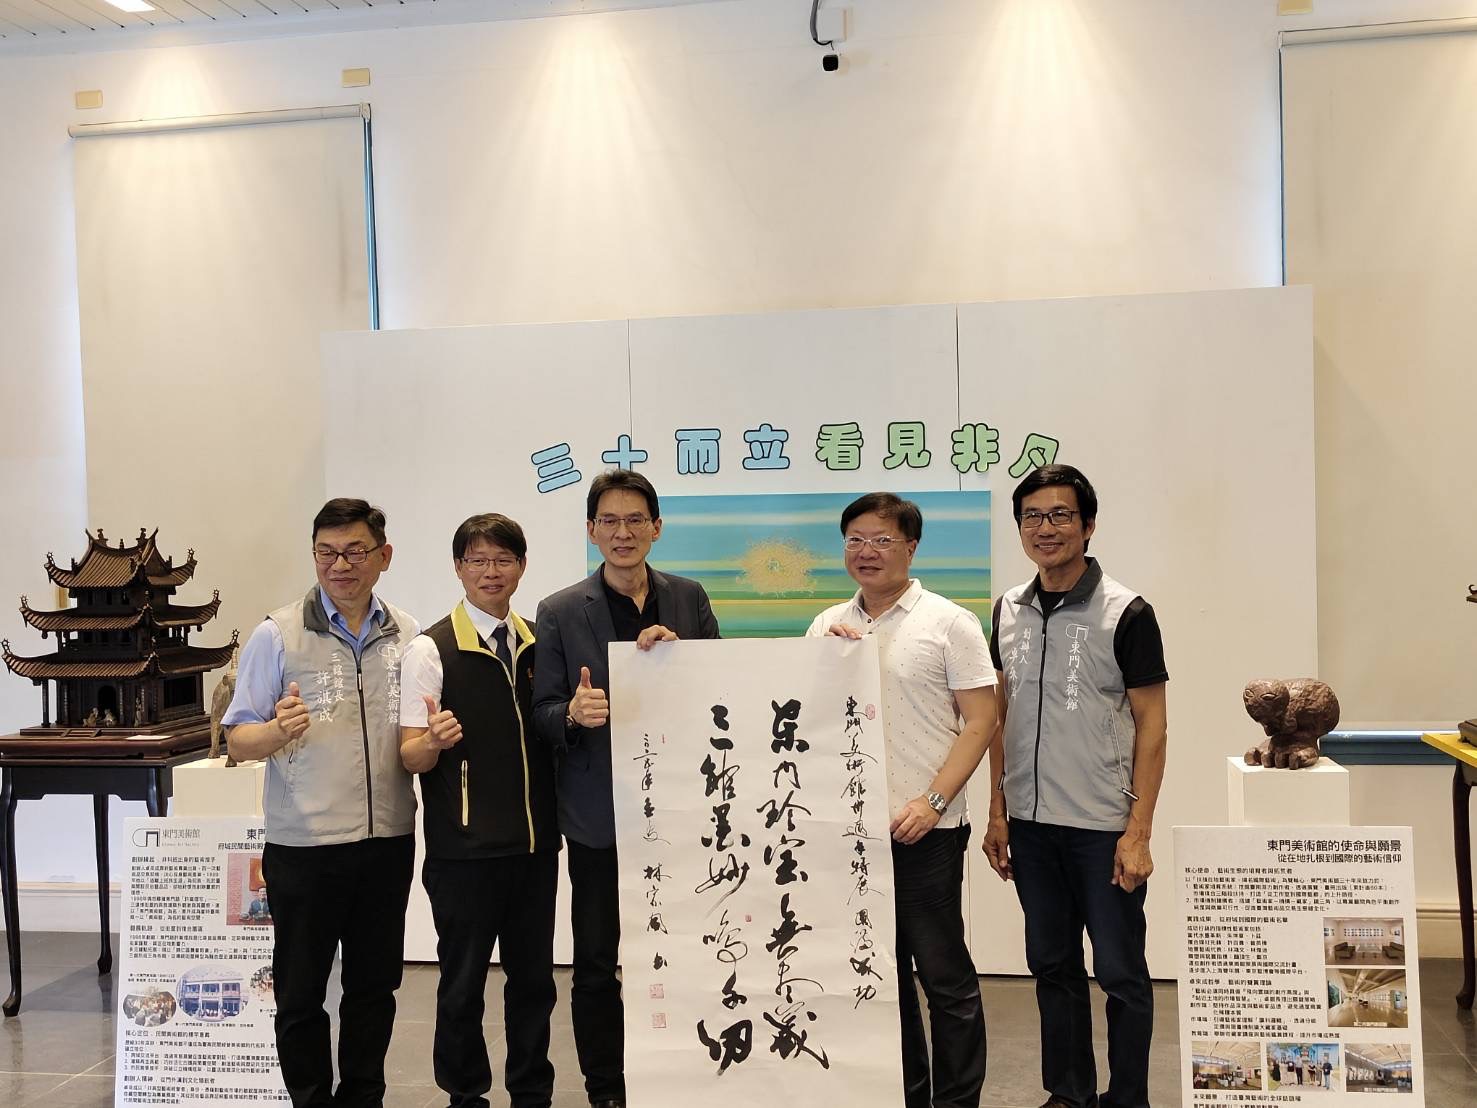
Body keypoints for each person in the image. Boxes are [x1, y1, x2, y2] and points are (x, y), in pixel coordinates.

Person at [981, 465, 1169, 1108]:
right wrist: (998, 811)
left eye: (1061, 515)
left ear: (1088, 526)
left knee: (1120, 972)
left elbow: (1152, 727)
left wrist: (1138, 832)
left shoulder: (1127, 611)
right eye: (1032, 516)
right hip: (1032, 827)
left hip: (1102, 827)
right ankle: (1068, 1093)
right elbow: (1000, 716)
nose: (1046, 528)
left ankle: (1129, 1097)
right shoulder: (1007, 609)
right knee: (1052, 966)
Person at [532, 469, 720, 1108]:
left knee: (685, 949)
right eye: (608, 521)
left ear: (657, 527)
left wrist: (681, 664)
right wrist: (572, 714)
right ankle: (606, 1088)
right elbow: (541, 711)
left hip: (682, 813)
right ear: (591, 531)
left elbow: (720, 685)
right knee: (596, 962)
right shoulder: (560, 610)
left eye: (635, 520)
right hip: (600, 818)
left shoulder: (688, 598)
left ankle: (681, 1076)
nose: (622, 532)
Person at [224, 498, 419, 1108]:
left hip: (387, 841)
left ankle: (363, 1098)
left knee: (374, 988)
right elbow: (238, 739)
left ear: (384, 557)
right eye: (327, 552)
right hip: (304, 847)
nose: (341, 565)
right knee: (301, 993)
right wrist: (276, 730)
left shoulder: (408, 635)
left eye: (356, 551)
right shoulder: (277, 635)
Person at [808, 492, 998, 1108]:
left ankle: (958, 1101)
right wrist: (826, 661)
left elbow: (982, 721)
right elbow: (809, 720)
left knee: (944, 978)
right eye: (855, 540)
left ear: (911, 547)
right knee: (880, 978)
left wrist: (933, 802)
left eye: (883, 540)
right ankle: (908, 1095)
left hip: (928, 831)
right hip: (853, 835)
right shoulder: (826, 625)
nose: (867, 552)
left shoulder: (949, 623)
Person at [399, 513, 559, 1108]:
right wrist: (433, 742)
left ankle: (532, 1091)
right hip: (463, 852)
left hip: (535, 847)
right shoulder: (430, 649)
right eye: (478, 560)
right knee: (462, 984)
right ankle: (465, 1095)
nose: (491, 571)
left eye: (503, 560)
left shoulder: (540, 642)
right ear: (459, 568)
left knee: (534, 983)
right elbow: (410, 755)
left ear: (522, 566)